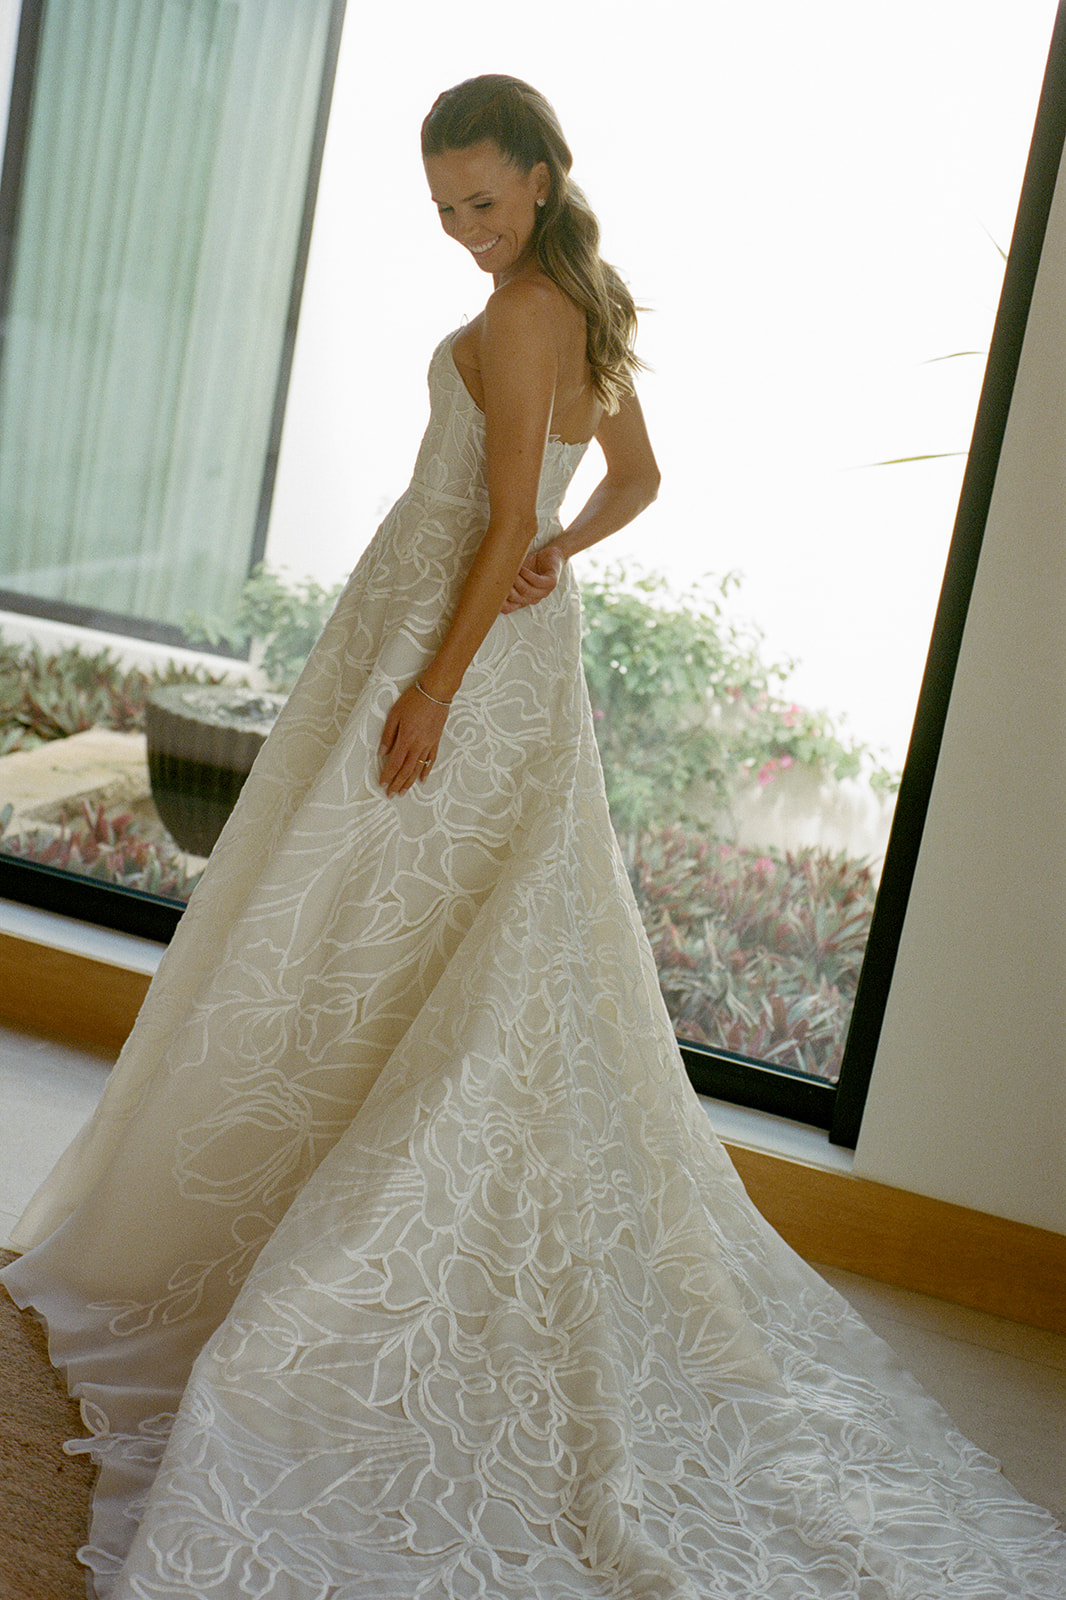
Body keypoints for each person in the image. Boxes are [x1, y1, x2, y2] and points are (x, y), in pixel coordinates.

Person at [1, 73, 1064, 1600]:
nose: (462, 235)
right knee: (431, 932)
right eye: (441, 211)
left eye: (482, 203)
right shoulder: (580, 302)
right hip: (517, 667)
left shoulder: (519, 314)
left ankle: (290, 1217)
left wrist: (435, 677)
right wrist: (564, 549)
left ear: (547, 178)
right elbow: (630, 481)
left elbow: (496, 521)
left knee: (356, 917)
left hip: (449, 647)